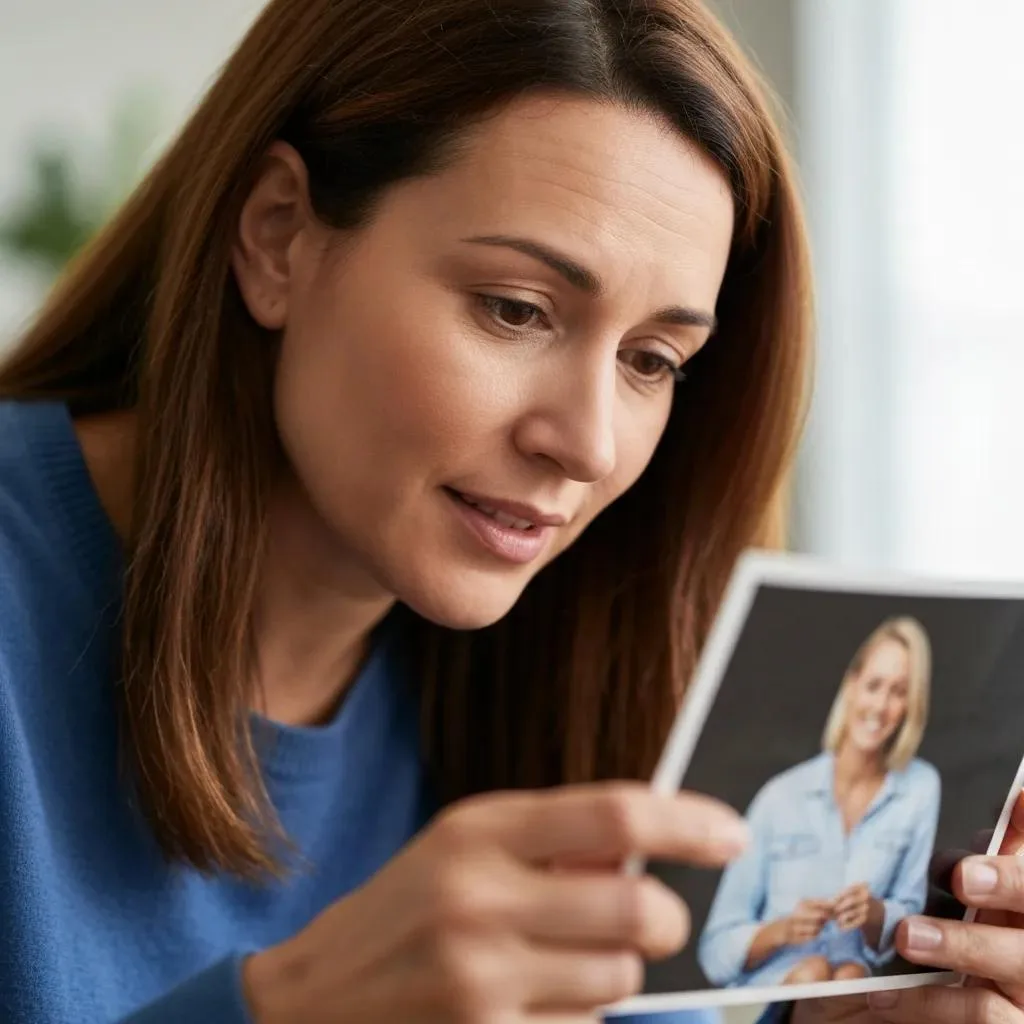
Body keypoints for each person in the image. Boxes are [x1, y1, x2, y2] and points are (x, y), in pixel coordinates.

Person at [0, 1, 814, 1021]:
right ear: (278, 236)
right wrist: (288, 1007)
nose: (589, 443)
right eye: (515, 309)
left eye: (652, 360)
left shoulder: (571, 682)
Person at [698, 618, 942, 989]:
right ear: (852, 685)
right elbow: (716, 952)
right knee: (815, 972)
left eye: (899, 692)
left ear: (911, 704)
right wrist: (783, 930)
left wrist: (874, 912)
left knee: (850, 973)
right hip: (768, 991)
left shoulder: (920, 788)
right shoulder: (780, 796)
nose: (880, 705)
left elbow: (908, 917)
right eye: (874, 685)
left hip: (847, 981)